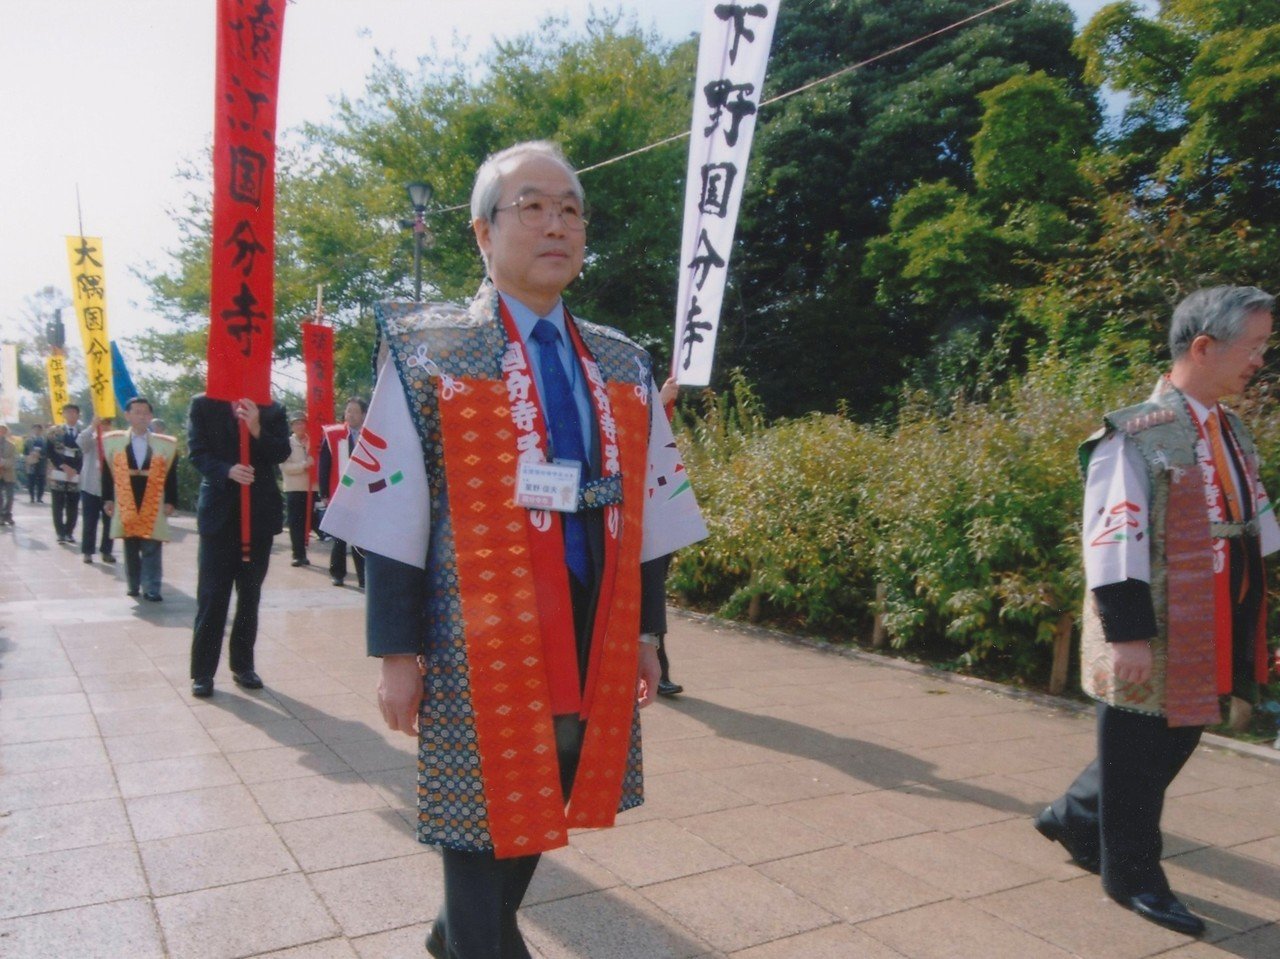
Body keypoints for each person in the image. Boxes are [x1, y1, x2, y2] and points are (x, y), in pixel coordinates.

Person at [322, 141, 707, 959]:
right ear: (481, 233)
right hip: (474, 624)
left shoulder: (621, 361)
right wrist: (397, 648)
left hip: (589, 614)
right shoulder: (429, 351)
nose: (556, 223)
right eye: (532, 206)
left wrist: (647, 631)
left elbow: (650, 506)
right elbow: (393, 506)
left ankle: (452, 934)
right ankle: (478, 940)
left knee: (552, 783)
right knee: (477, 804)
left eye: (570, 208)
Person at [1035, 286, 1279, 938]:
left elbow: (1259, 524)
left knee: (1176, 733)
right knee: (1139, 747)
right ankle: (1133, 874)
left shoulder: (1229, 429)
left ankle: (1078, 814)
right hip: (1150, 621)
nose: (1261, 359)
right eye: (1253, 346)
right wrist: (1128, 634)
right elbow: (1112, 537)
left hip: (1212, 617)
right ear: (1203, 346)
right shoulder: (1136, 433)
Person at [186, 394, 291, 697]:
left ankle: (243, 665)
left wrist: (257, 427)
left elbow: (281, 452)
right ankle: (202, 672)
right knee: (212, 596)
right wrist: (226, 470)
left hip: (258, 515)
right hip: (219, 516)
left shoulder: (272, 408)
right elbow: (197, 452)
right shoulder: (204, 404)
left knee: (249, 596)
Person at [102, 398, 178, 600]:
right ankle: (133, 584)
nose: (141, 416)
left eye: (145, 412)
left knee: (152, 543)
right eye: (136, 412)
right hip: (126, 496)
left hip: (153, 496)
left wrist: (171, 500)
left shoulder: (165, 445)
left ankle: (152, 587)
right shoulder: (114, 441)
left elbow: (171, 474)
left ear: (151, 416)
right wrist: (108, 498)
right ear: (127, 415)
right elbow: (107, 472)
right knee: (131, 544)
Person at [318, 397, 368, 587]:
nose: (351, 415)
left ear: (364, 414)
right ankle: (337, 573)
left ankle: (363, 577)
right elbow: (324, 465)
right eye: (348, 411)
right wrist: (324, 492)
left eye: (355, 411)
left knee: (360, 537)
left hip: (363, 494)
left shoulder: (369, 435)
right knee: (339, 536)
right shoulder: (334, 434)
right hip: (339, 492)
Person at [76, 415, 117, 564]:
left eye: (107, 423)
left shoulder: (115, 440)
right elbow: (80, 442)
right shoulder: (91, 438)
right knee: (89, 521)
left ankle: (107, 551)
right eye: (102, 423)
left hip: (109, 489)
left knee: (109, 522)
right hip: (90, 486)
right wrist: (92, 426)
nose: (105, 426)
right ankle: (87, 552)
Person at [282, 412, 316, 567]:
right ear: (292, 426)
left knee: (309, 522)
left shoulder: (313, 441)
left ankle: (305, 551)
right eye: (296, 423)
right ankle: (298, 554)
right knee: (296, 523)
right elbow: (285, 467)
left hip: (311, 489)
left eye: (302, 422)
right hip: (294, 489)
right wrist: (303, 465)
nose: (300, 426)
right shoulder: (287, 443)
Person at [47, 403, 82, 543]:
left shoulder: (83, 433)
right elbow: (49, 451)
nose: (71, 415)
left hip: (75, 474)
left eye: (74, 412)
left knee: (73, 504)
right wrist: (62, 466)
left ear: (78, 415)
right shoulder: (54, 432)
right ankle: (60, 532)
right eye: (68, 412)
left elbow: (86, 453)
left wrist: (76, 470)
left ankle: (69, 532)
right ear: (63, 414)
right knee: (58, 503)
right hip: (59, 472)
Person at [23, 424, 48, 503]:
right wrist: (30, 455)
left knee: (41, 481)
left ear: (41, 431)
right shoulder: (28, 440)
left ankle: (39, 497)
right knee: (31, 481)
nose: (37, 431)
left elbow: (48, 451)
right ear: (32, 430)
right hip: (32, 463)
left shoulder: (45, 441)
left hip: (42, 462)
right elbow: (25, 451)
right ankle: (32, 497)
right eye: (35, 429)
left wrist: (41, 455)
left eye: (39, 429)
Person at [0, 424, 16, 526]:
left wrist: (3, 462)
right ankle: (1, 516)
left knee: (10, 496)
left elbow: (13, 460)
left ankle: (7, 514)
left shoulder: (11, 445)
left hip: (8, 473)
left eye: (3, 430)